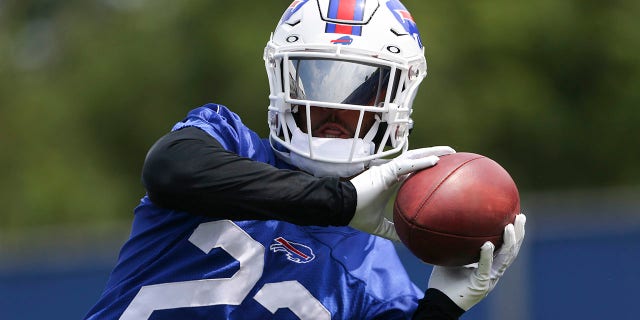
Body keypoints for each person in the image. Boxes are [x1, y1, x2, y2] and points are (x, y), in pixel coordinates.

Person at [84, 0, 526, 319]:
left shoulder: (379, 280)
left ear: (398, 98)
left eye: (361, 89)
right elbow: (169, 169)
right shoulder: (229, 144)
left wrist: (440, 310)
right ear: (283, 83)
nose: (334, 110)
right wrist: (338, 202)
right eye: (314, 81)